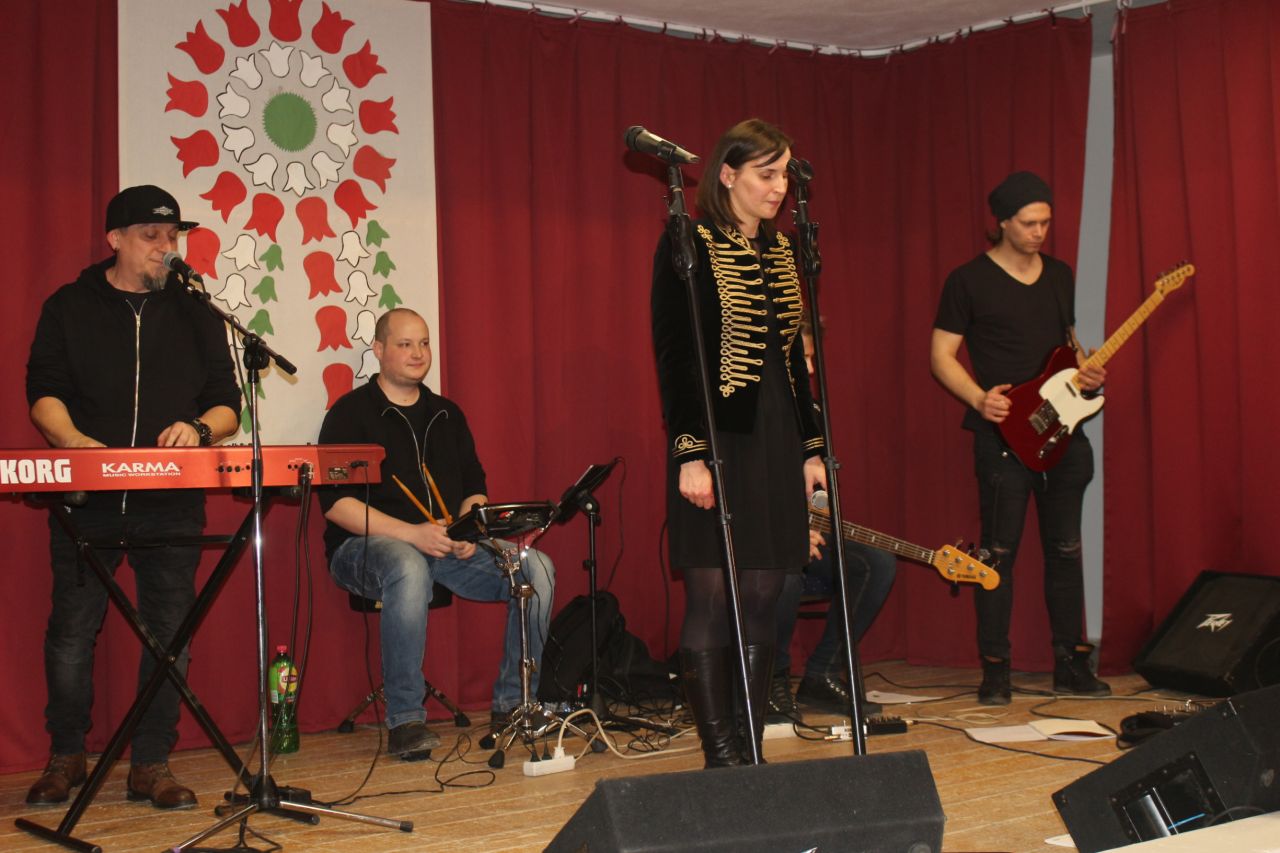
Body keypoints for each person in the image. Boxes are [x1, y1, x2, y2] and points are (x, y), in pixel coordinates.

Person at [24, 185, 241, 808]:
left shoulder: (196, 310)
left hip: (170, 504)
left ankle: (151, 763)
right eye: (151, 236)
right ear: (115, 239)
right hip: (87, 502)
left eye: (173, 237)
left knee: (170, 636)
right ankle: (67, 755)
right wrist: (74, 443)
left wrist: (200, 430)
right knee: (72, 632)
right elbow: (43, 390)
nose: (166, 248)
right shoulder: (69, 306)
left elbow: (227, 403)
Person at [651, 118, 825, 768]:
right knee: (711, 595)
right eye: (766, 174)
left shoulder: (782, 250)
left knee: (764, 594)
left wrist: (811, 447)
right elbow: (675, 356)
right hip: (718, 438)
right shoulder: (688, 241)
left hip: (777, 437)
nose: (779, 188)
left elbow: (794, 360)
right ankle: (720, 752)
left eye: (785, 175)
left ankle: (749, 751)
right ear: (727, 174)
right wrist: (689, 452)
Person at [317, 307, 556, 759]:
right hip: (362, 550)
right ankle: (406, 721)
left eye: (424, 343)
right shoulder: (349, 414)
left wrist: (469, 529)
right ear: (379, 349)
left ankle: (514, 704)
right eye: (405, 344)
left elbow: (475, 488)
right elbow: (337, 506)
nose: (418, 353)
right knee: (408, 565)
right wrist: (413, 534)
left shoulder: (447, 414)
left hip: (444, 546)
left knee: (536, 568)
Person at [929, 171, 1111, 705]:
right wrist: (978, 398)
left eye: (1046, 222)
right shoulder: (968, 280)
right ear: (1002, 222)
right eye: (1029, 223)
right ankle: (996, 670)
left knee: (1066, 550)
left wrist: (1087, 372)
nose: (1039, 232)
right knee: (997, 555)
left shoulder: (1059, 275)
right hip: (1003, 438)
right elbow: (940, 356)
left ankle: (1070, 665)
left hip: (1064, 432)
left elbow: (1067, 346)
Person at [770, 322, 896, 722]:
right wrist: (790, 534)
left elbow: (820, 488)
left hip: (803, 534)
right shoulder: (749, 412)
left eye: (811, 358)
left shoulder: (811, 413)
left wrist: (816, 523)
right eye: (801, 358)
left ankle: (822, 672)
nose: (809, 369)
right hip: (761, 540)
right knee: (787, 574)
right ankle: (771, 680)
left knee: (877, 563)